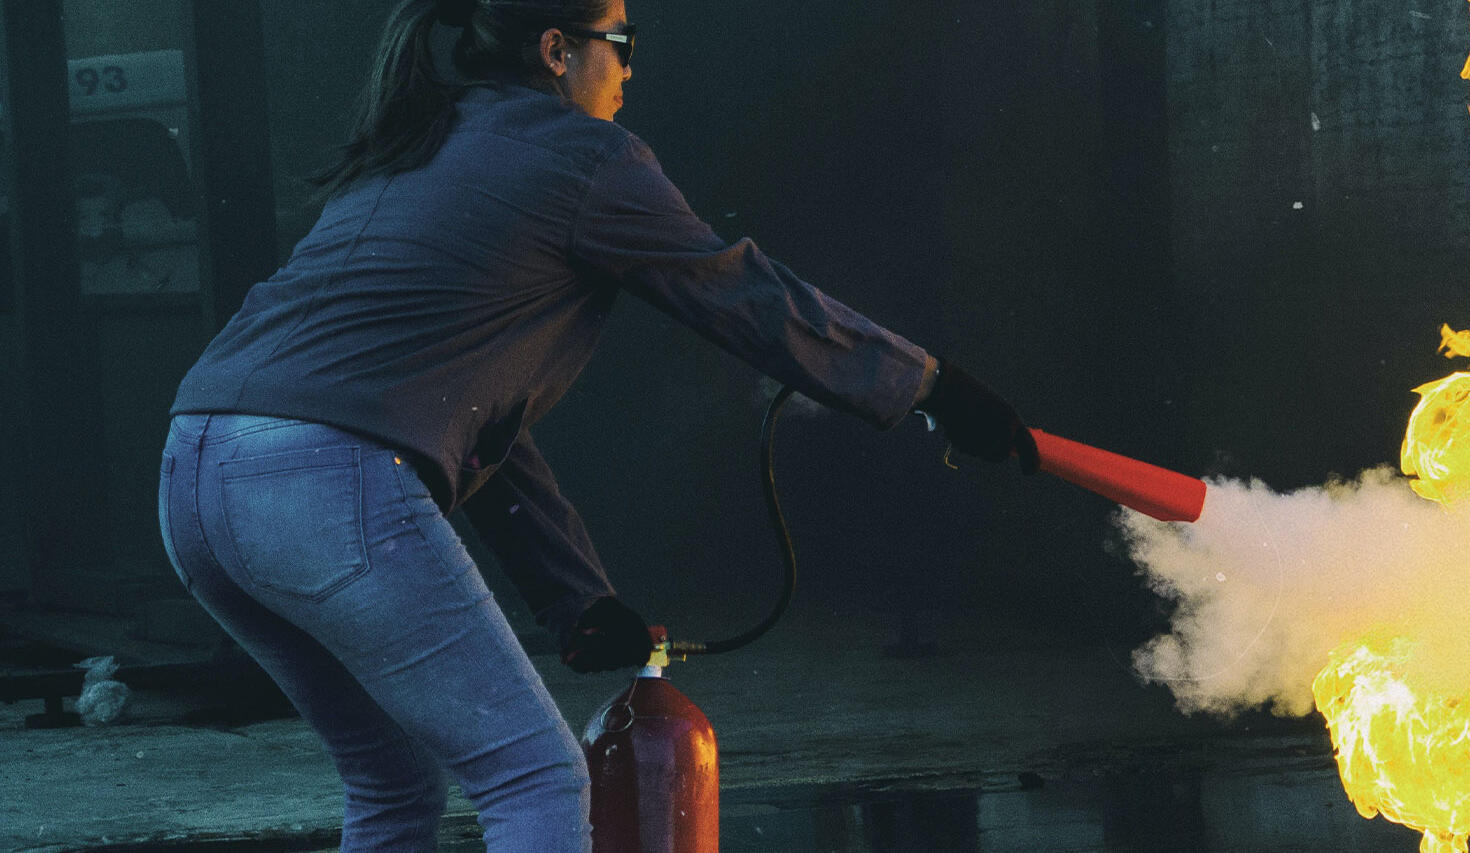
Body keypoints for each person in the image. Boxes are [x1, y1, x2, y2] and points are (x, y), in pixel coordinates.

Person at [155, 0, 1037, 848]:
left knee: (393, 779)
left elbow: (474, 419)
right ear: (555, 49)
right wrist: (933, 387)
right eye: (621, 39)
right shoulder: (585, 157)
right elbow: (747, 296)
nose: (629, 65)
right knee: (537, 778)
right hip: (321, 481)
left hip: (196, 479)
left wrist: (575, 596)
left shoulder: (420, 143)